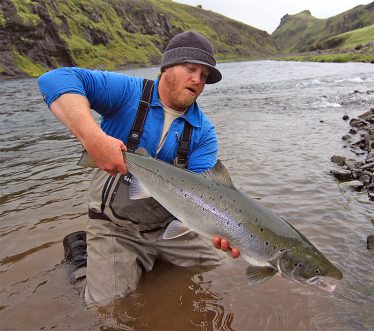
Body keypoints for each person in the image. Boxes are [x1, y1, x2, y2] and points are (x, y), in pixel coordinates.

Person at [38, 31, 239, 305]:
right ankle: (81, 254)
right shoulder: (126, 92)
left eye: (204, 76)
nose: (197, 80)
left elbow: (204, 194)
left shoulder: (204, 132)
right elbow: (53, 79)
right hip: (115, 226)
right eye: (191, 69)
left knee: (223, 273)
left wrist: (221, 228)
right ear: (167, 67)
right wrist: (94, 138)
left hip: (169, 227)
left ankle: (152, 259)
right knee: (105, 307)